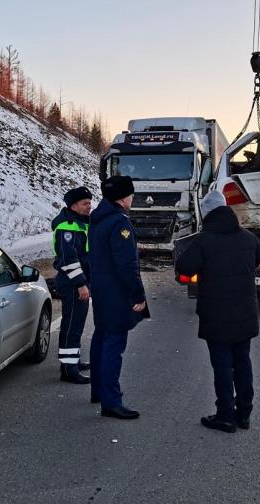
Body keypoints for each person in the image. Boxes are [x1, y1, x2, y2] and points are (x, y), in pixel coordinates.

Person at [174, 190, 260, 433]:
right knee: (243, 362)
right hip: (245, 311)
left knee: (223, 365)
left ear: (207, 213)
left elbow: (183, 267)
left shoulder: (204, 240)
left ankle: (225, 415)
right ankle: (244, 413)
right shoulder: (247, 238)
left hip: (216, 314)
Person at [88, 175, 149, 419]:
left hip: (102, 291)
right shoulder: (120, 224)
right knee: (114, 344)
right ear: (123, 198)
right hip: (116, 293)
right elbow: (126, 265)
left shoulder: (98, 219)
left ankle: (98, 391)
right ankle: (111, 401)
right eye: (131, 195)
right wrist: (138, 295)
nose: (133, 199)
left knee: (100, 337)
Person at [51, 186, 93, 384]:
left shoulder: (80, 223)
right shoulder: (67, 227)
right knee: (72, 326)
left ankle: (72, 361)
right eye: (85, 203)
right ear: (73, 205)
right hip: (73, 284)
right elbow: (69, 260)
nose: (89, 206)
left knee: (76, 324)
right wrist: (81, 284)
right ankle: (68, 370)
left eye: (89, 202)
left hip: (79, 283)